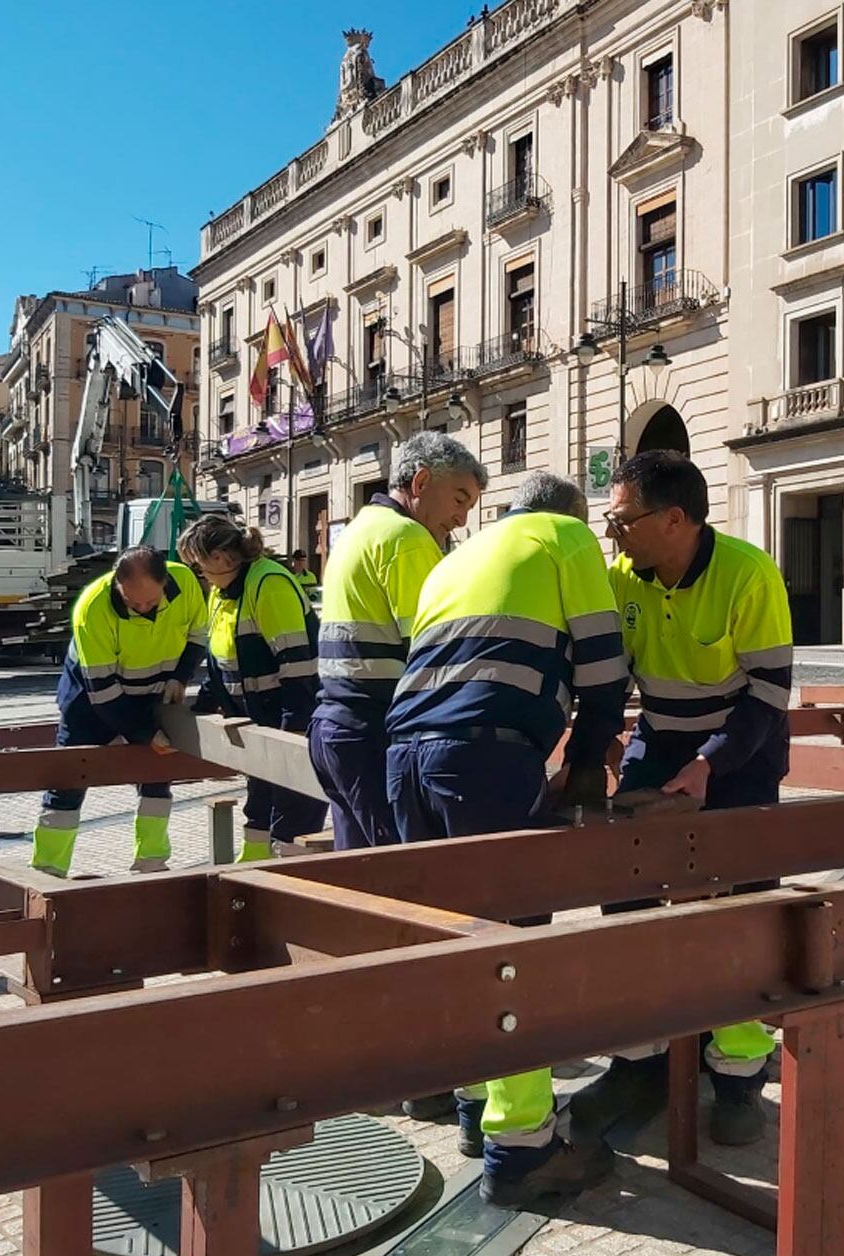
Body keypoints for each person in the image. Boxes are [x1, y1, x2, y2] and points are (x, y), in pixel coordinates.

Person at [385, 471, 629, 1208]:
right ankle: (523, 1149)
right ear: (570, 518)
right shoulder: (566, 537)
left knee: (456, 939)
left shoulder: (457, 556)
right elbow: (604, 667)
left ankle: (472, 1107)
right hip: (484, 759)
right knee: (513, 948)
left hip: (405, 756)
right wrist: (586, 768)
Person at [567, 451, 792, 1149]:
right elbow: (606, 683)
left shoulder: (749, 573)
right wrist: (595, 750)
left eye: (621, 520)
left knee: (743, 908)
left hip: (742, 754)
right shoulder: (620, 578)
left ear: (674, 519)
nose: (613, 534)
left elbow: (769, 694)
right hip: (659, 742)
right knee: (626, 894)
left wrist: (708, 765)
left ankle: (737, 1073)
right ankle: (642, 1056)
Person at [310, 433, 486, 851]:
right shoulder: (407, 539)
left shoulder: (361, 529)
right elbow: (435, 653)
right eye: (459, 499)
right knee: (401, 879)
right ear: (421, 483)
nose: (461, 519)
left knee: (359, 873)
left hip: (335, 725)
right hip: (374, 730)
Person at [31, 546, 208, 877]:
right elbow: (104, 692)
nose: (142, 608)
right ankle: (47, 871)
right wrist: (144, 734)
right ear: (116, 584)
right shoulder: (92, 608)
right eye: (132, 602)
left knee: (156, 778)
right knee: (68, 779)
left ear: (165, 582)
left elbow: (199, 633)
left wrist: (180, 676)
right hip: (89, 701)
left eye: (150, 602)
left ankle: (152, 863)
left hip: (150, 694)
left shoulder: (185, 583)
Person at [178, 515, 328, 861]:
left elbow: (299, 666)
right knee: (259, 802)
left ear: (219, 557)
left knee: (293, 810)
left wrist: (294, 730)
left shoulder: (268, 584)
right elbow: (220, 659)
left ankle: (291, 880)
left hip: (286, 719)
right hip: (256, 721)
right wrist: (202, 706)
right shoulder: (223, 591)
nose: (201, 577)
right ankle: (254, 871)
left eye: (200, 567)